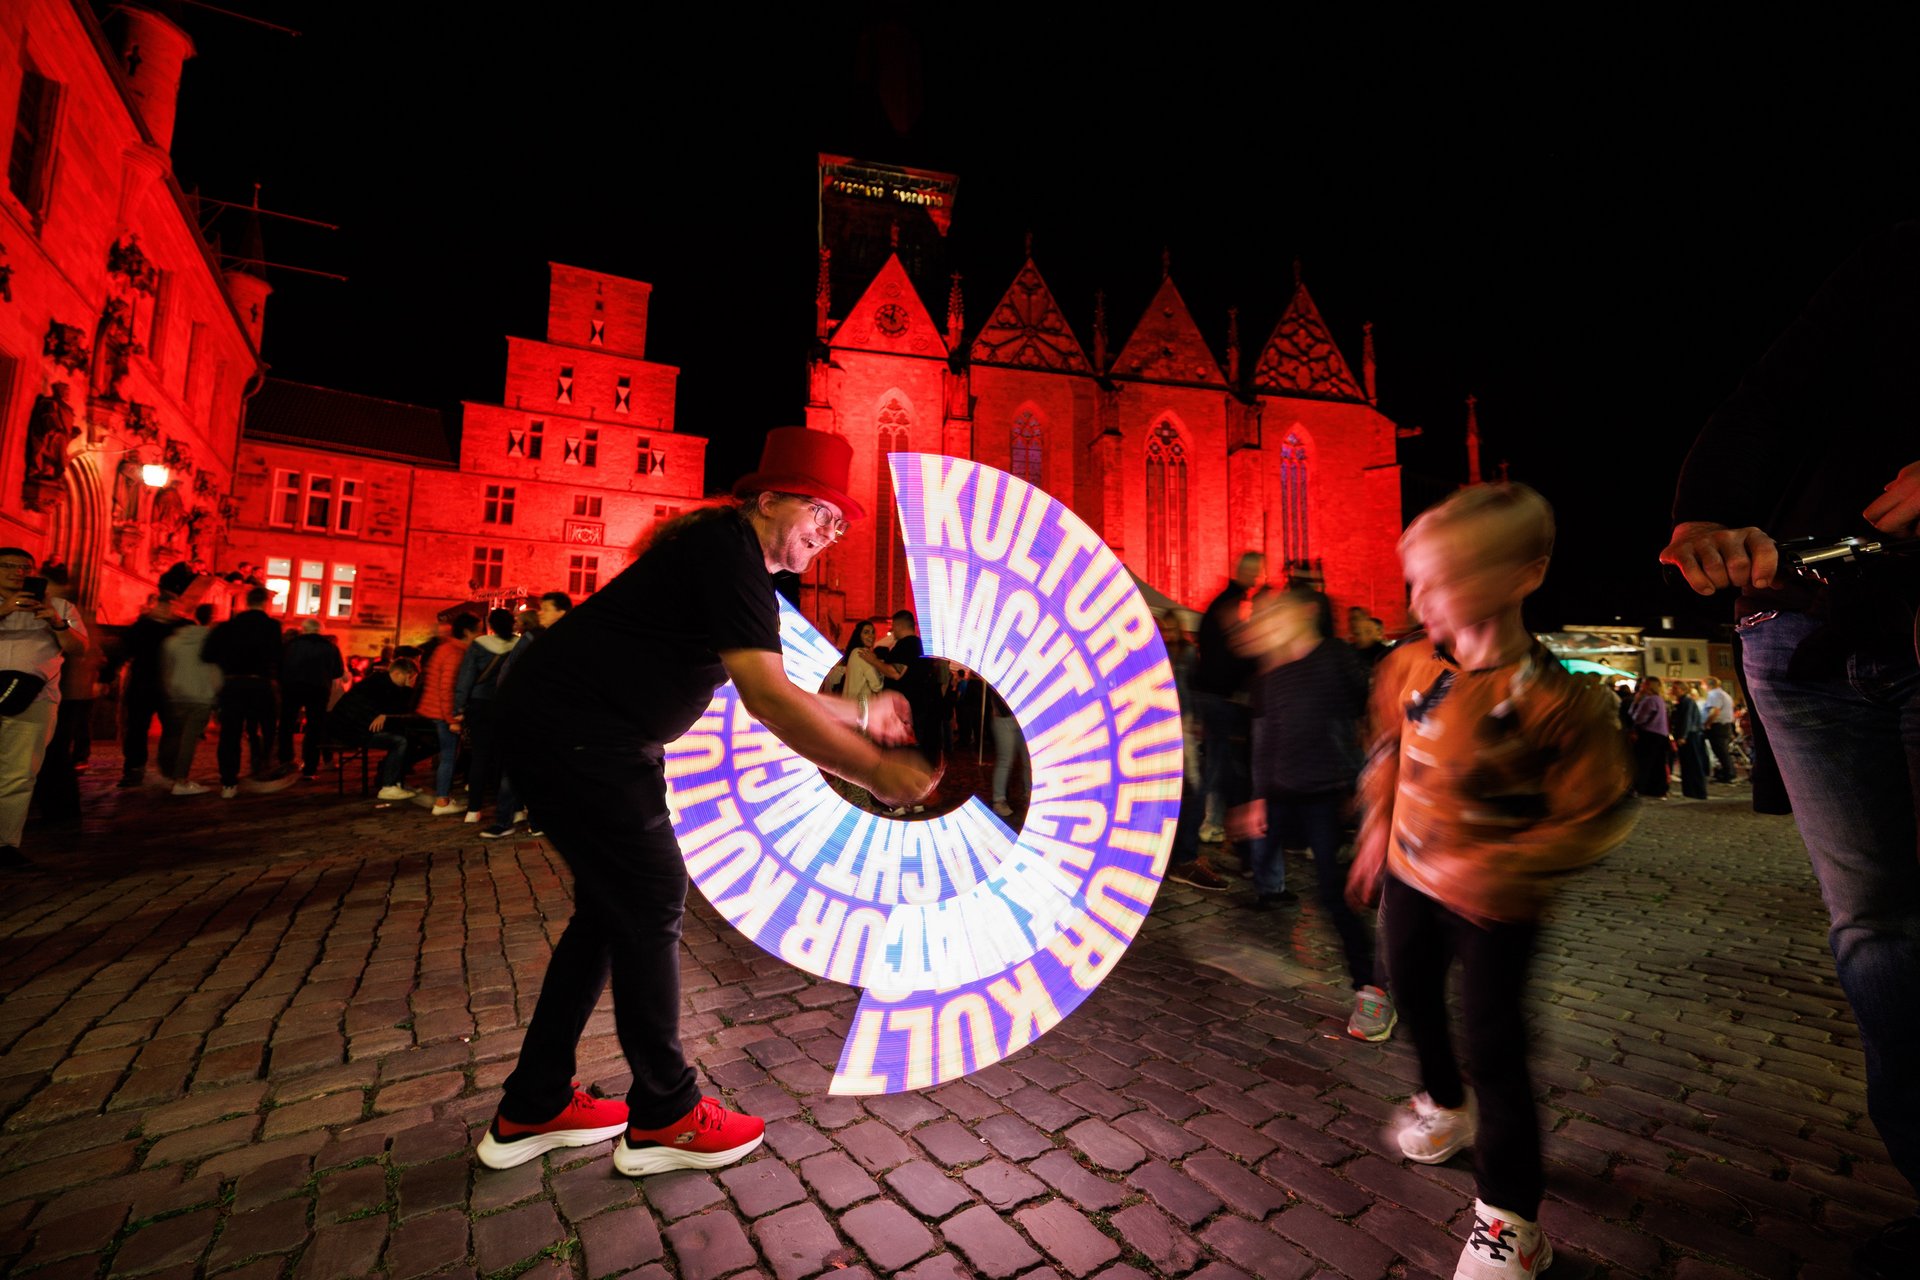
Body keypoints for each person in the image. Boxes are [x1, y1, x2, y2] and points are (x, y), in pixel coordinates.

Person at [477, 426, 933, 1178]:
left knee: (612, 911)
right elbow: (766, 702)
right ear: (766, 499)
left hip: (577, 731)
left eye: (841, 522)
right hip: (581, 732)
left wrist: (863, 716)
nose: (830, 531)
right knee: (653, 896)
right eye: (819, 510)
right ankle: (665, 1115)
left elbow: (781, 691)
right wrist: (873, 773)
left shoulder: (738, 564)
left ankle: (534, 1102)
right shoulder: (727, 549)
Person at [1659, 221, 1920, 1274]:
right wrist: (1700, 517)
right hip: (1798, 620)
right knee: (1874, 933)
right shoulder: (1886, 258)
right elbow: (1772, 394)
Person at [1348, 484, 1635, 1280]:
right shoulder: (1408, 664)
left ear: (1524, 575)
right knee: (1412, 1003)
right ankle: (1443, 1105)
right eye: (1417, 580)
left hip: (1495, 907)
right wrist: (1376, 830)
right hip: (1409, 880)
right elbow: (1387, 751)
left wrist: (1508, 864)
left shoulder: (1558, 699)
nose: (1420, 599)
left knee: (1495, 1047)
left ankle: (1510, 1221)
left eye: (1443, 579)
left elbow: (1600, 814)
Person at [1229, 584, 1390, 1038]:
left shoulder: (1336, 656)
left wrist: (1369, 777)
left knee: (1332, 893)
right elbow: (1265, 738)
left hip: (1325, 791)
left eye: (1275, 613)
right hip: (1280, 794)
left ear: (1304, 613)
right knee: (1257, 858)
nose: (1266, 623)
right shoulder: (1272, 673)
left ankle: (1372, 989)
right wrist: (1259, 799)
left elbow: (1374, 707)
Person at [0, 549, 88, 868]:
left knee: (19, 773)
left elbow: (80, 648)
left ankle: (5, 842)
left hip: (34, 700)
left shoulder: (60, 606)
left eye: (25, 567)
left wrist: (57, 622)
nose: (17, 572)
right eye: (8, 566)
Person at [1193, 552, 1266, 843]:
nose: (1259, 578)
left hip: (1212, 691)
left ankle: (1212, 820)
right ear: (1247, 572)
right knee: (1221, 760)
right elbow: (1235, 650)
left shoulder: (1225, 600)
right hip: (1219, 694)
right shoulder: (1233, 604)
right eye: (1257, 572)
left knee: (1218, 758)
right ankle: (1211, 821)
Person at [1158, 609, 1227, 890]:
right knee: (1190, 790)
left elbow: (1191, 688)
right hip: (1167, 724)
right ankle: (1181, 857)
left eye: (1172, 630)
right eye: (1166, 629)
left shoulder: (1185, 653)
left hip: (1182, 723)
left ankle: (1182, 855)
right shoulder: (1165, 653)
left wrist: (1195, 719)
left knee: (1193, 788)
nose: (1168, 635)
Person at [202, 587, 293, 798]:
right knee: (265, 729)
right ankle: (260, 769)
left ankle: (229, 782)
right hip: (259, 683)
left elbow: (207, 654)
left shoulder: (228, 626)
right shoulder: (271, 626)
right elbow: (278, 657)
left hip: (233, 683)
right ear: (265, 603)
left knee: (230, 734)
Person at [451, 608, 520, 825]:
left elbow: (466, 678)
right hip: (508, 705)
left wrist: (459, 708)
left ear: (490, 625)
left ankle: (474, 809)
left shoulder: (479, 645)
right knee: (506, 759)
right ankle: (513, 809)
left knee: (480, 757)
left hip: (480, 705)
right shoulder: (519, 645)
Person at [328, 657, 425, 799]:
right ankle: (388, 786)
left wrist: (386, 716)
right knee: (400, 741)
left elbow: (394, 713)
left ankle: (396, 781)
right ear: (398, 673)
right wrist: (382, 716)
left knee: (407, 739)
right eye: (410, 677)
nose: (411, 681)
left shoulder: (388, 685)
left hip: (357, 728)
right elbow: (366, 715)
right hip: (349, 731)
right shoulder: (377, 685)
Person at [116, 592, 184, 786]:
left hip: (169, 685)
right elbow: (126, 650)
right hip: (144, 683)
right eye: (164, 606)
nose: (167, 610)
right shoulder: (141, 626)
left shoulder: (180, 627)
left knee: (172, 728)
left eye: (170, 606)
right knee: (137, 727)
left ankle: (168, 767)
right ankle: (134, 768)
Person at [415, 613, 476, 817]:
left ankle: (442, 796)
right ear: (468, 631)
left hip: (434, 709)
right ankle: (442, 800)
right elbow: (447, 688)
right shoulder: (455, 653)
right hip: (442, 712)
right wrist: (452, 719)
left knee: (447, 755)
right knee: (449, 756)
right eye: (478, 629)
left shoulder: (446, 648)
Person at [159, 604, 222, 794]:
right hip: (201, 694)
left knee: (174, 736)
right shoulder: (212, 640)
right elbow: (216, 669)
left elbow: (166, 668)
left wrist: (170, 687)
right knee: (188, 740)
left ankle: (168, 774)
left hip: (177, 694)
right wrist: (217, 693)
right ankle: (180, 780)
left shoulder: (174, 641)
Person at [279, 618, 344, 780]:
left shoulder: (291, 645)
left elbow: (281, 665)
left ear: (304, 629)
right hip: (318, 689)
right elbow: (338, 671)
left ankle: (286, 759)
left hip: (292, 687)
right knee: (315, 728)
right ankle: (310, 767)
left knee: (287, 724)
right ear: (320, 630)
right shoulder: (330, 647)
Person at [1627, 676, 1671, 799]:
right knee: (1658, 763)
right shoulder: (1659, 700)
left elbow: (1637, 718)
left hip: (1649, 735)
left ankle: (1639, 788)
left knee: (1643, 763)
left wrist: (1636, 702)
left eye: (1644, 684)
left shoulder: (1649, 700)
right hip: (1661, 735)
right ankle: (1657, 789)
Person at [1667, 680, 1708, 800]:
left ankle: (1697, 791)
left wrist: (1683, 736)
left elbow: (1687, 720)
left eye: (1675, 688)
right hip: (1688, 735)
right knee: (1687, 764)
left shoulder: (1687, 701)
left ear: (1682, 689)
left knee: (1693, 763)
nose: (1672, 690)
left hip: (1691, 736)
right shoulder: (1683, 702)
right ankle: (1691, 791)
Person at [1700, 677, 1738, 782]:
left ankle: (1728, 773)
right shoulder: (1725, 694)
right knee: (1722, 751)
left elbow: (1715, 711)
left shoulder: (1714, 694)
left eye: (1703, 685)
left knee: (1720, 751)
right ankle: (1728, 772)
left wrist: (1707, 723)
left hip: (1718, 726)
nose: (1702, 687)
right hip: (1725, 725)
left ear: (1708, 685)